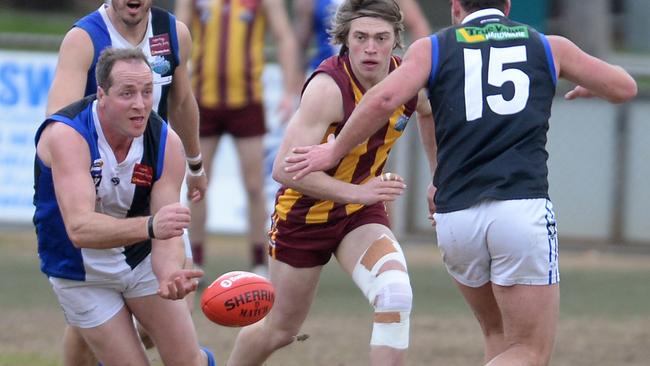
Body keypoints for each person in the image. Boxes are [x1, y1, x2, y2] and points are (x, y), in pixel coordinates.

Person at [283, 0, 638, 365]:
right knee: (530, 350)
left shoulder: (434, 47)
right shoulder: (549, 45)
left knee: (498, 333)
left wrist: (333, 150)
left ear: (456, 8)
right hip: (519, 208)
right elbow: (623, 88)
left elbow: (384, 97)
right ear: (507, 5)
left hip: (456, 218)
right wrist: (593, 86)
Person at [226, 0, 433, 365]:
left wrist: (438, 179)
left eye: (381, 38)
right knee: (280, 330)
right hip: (304, 216)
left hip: (360, 215)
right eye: (361, 37)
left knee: (395, 293)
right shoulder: (327, 88)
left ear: (396, 39)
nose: (370, 48)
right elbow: (284, 170)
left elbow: (429, 115)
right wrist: (360, 191)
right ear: (345, 39)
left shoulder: (408, 82)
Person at [45, 1, 206, 363]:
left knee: (168, 319)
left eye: (146, 92)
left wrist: (194, 162)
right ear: (103, 94)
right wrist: (90, 167)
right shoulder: (83, 38)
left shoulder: (173, 32)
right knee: (93, 319)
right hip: (93, 195)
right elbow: (55, 128)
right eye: (127, 93)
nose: (140, 103)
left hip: (151, 179)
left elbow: (182, 101)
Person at [174, 0, 303, 274]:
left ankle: (259, 261)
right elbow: (178, 33)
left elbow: (284, 37)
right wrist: (176, 87)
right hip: (201, 101)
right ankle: (195, 259)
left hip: (247, 100)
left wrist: (290, 90)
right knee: (197, 184)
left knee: (255, 186)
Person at [294, 0, 431, 71]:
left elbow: (418, 26)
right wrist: (294, 87)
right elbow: (300, 43)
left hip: (376, 79)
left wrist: (416, 69)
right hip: (327, 77)